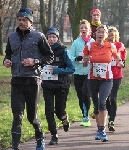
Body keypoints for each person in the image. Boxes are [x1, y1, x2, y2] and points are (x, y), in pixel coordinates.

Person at [3, 8, 54, 150]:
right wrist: (6, 61)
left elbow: (49, 56)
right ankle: (15, 146)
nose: (21, 22)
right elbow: (8, 54)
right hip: (17, 80)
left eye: (24, 20)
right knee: (17, 116)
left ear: (30, 21)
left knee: (31, 117)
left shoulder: (38, 36)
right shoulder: (12, 36)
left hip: (32, 80)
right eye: (19, 20)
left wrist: (35, 61)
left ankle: (40, 137)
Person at [83, 24, 124, 142]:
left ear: (106, 35)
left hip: (107, 80)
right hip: (92, 79)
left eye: (103, 32)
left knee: (102, 102)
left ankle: (103, 130)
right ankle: (99, 129)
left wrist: (121, 64)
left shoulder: (111, 46)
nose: (101, 34)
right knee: (96, 105)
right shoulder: (89, 46)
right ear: (95, 34)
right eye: (99, 32)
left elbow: (118, 59)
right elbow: (85, 63)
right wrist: (85, 61)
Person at [41, 27, 75, 145]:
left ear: (57, 38)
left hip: (61, 85)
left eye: (54, 37)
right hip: (47, 85)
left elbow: (71, 68)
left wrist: (57, 70)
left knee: (59, 111)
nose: (51, 39)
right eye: (49, 37)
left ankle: (64, 119)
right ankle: (54, 135)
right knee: (48, 111)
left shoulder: (63, 50)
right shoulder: (43, 51)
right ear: (46, 39)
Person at [69, 19, 95, 127]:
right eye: (82, 28)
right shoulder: (76, 42)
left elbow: (98, 56)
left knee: (86, 93)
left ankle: (86, 117)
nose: (83, 29)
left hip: (89, 73)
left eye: (86, 28)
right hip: (78, 72)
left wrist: (91, 59)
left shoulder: (93, 42)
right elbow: (70, 57)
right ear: (79, 30)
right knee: (80, 96)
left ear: (89, 30)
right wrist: (78, 58)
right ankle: (85, 113)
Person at [106, 26, 127, 132]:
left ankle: (111, 121)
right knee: (106, 99)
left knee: (113, 98)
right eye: (109, 36)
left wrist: (122, 63)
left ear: (116, 36)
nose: (111, 38)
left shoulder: (120, 45)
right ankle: (109, 114)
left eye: (113, 36)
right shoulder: (104, 46)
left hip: (116, 75)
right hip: (105, 76)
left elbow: (123, 58)